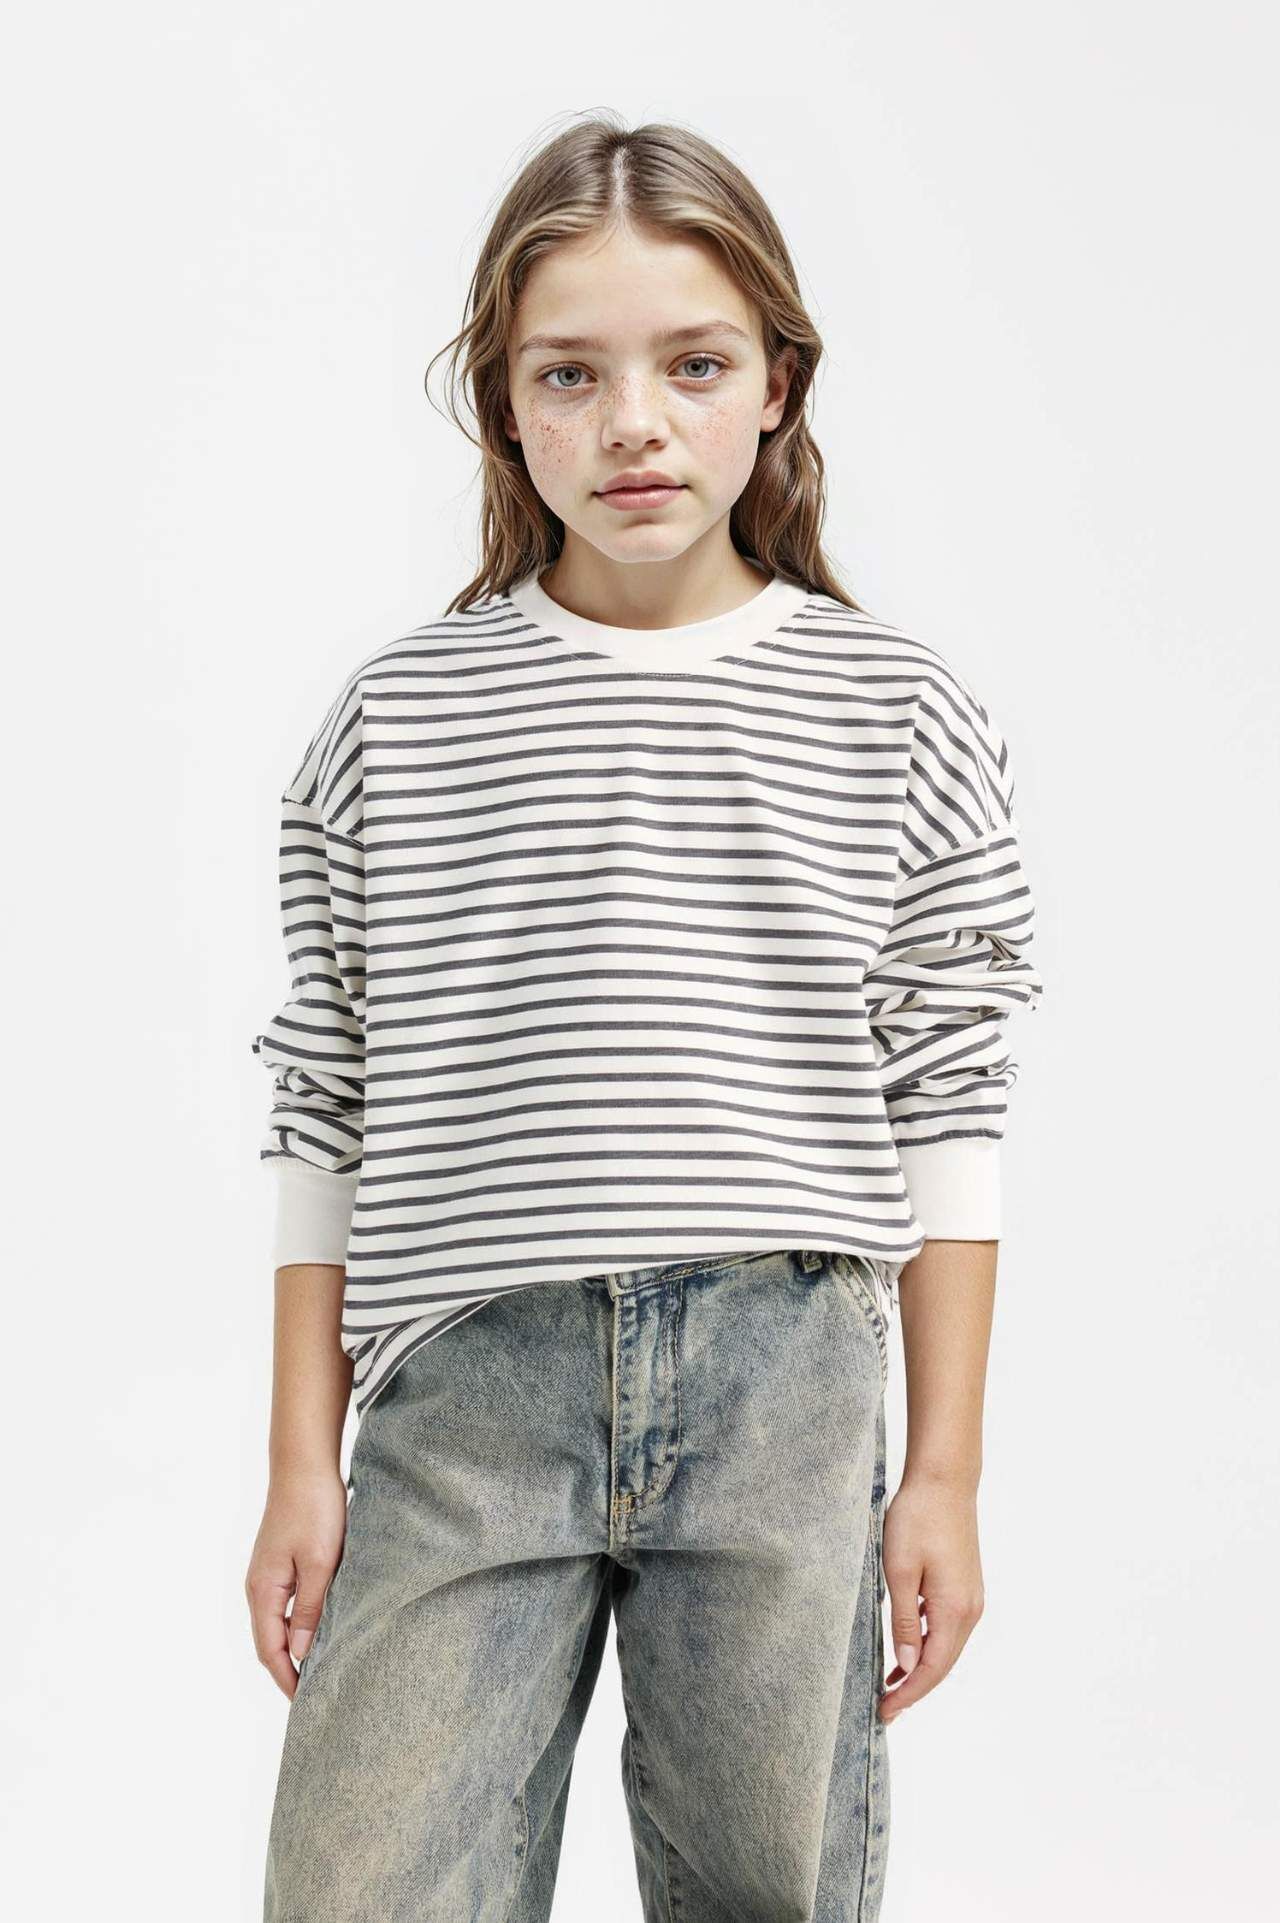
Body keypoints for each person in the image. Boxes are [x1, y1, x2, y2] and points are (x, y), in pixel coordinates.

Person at [245, 113, 1045, 1923]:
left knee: (767, 1890)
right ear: (503, 405)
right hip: (467, 1383)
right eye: (569, 374)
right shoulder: (400, 720)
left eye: (693, 365)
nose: (634, 424)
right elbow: (325, 1089)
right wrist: (300, 1460)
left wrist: (943, 1473)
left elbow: (949, 1098)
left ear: (777, 386)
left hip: (785, 1382)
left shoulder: (896, 709)